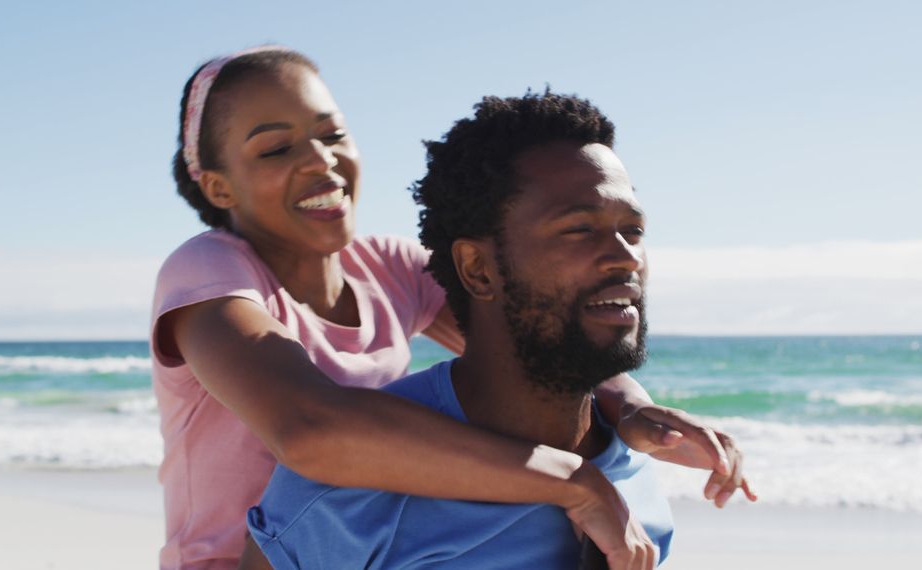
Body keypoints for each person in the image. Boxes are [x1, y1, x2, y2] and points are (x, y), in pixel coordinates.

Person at [153, 46, 752, 570]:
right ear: (219, 187)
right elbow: (310, 433)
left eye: (332, 134)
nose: (319, 160)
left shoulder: (384, 266)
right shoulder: (208, 271)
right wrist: (576, 483)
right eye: (277, 148)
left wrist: (631, 411)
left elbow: (530, 319)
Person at [245, 90, 688, 569]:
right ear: (478, 269)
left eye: (634, 230)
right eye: (579, 229)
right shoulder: (348, 488)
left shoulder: (632, 458)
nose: (626, 256)